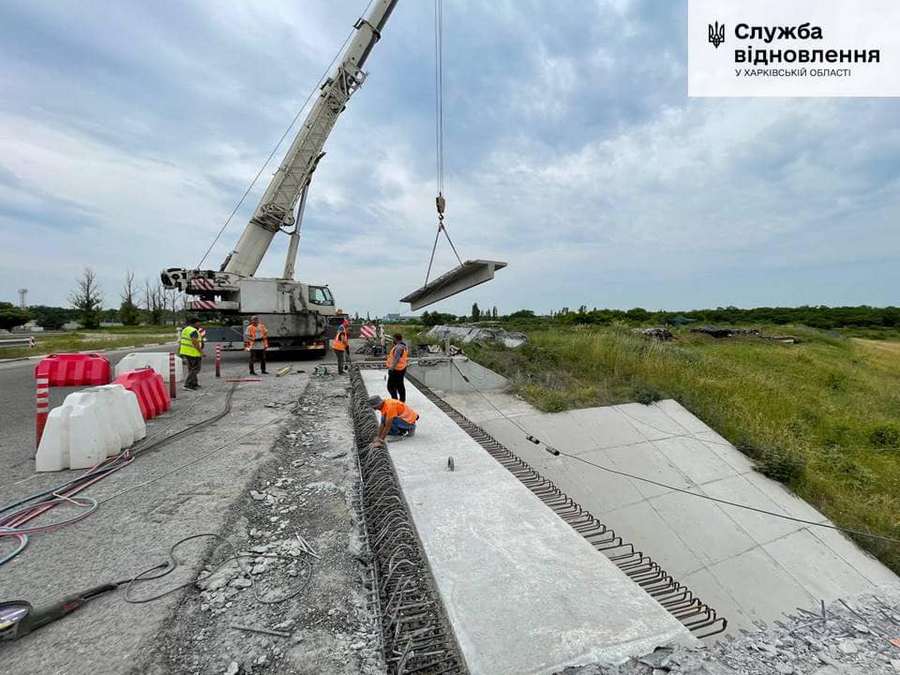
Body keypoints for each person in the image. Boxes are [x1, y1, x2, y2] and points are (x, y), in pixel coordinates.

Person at [178, 317, 204, 390]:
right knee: (196, 369)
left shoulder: (186, 329)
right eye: (199, 322)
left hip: (186, 352)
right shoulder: (193, 330)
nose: (200, 324)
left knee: (192, 369)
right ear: (195, 323)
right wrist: (201, 352)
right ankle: (188, 385)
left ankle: (194, 384)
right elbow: (195, 342)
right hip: (193, 353)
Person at [385, 332, 408, 402]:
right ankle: (402, 401)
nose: (392, 340)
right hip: (402, 368)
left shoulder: (398, 347)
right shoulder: (403, 346)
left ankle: (395, 401)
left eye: (393, 339)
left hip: (396, 370)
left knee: (390, 387)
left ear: (395, 339)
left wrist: (391, 369)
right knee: (400, 386)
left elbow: (396, 359)